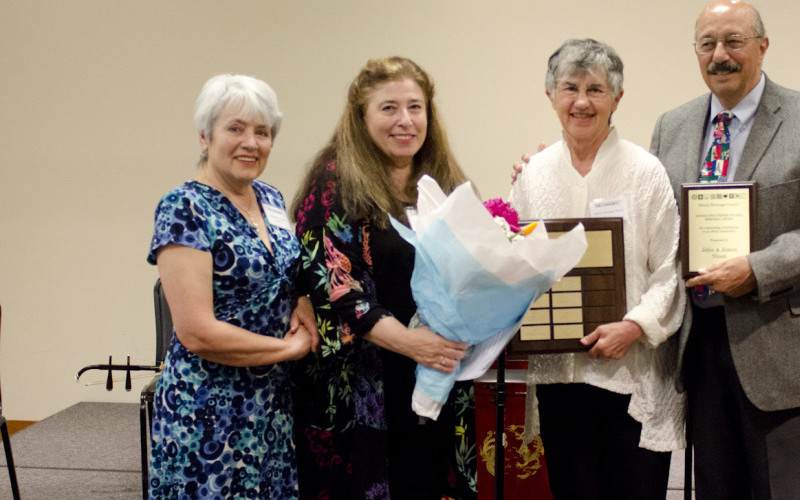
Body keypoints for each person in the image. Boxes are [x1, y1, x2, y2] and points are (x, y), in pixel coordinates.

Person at [649, 1, 800, 498]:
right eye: (707, 43)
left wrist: (757, 269)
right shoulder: (672, 126)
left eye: (733, 41)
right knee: (717, 489)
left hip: (786, 348)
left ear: (763, 46)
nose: (719, 54)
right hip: (700, 343)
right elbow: (652, 220)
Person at [290, 56, 476, 500]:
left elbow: (473, 264)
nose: (405, 121)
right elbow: (337, 285)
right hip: (362, 384)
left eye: (415, 107)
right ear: (361, 116)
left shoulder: (441, 180)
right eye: (388, 108)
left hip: (434, 374)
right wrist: (410, 343)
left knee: (427, 483)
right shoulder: (335, 179)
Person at [509, 39, 686, 500]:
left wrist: (633, 326)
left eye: (596, 89)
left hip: (633, 371)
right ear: (550, 95)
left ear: (617, 99)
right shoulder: (532, 176)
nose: (582, 102)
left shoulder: (647, 173)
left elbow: (670, 269)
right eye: (570, 88)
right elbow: (518, 266)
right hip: (560, 374)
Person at [147, 74, 318, 499]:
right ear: (205, 137)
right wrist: (289, 350)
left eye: (262, 132)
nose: (251, 142)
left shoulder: (272, 198)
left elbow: (284, 270)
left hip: (270, 404)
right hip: (207, 410)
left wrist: (301, 302)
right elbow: (196, 331)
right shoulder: (184, 207)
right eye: (235, 128)